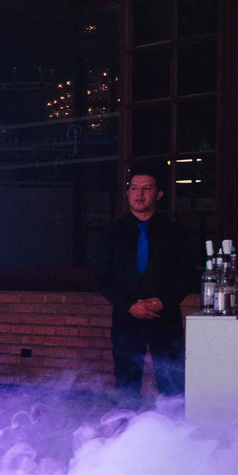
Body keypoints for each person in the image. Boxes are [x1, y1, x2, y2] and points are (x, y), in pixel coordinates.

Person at [94, 165, 203, 402]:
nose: (139, 194)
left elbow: (187, 276)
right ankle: (124, 432)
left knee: (172, 381)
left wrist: (164, 302)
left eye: (146, 188)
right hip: (126, 317)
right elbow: (103, 277)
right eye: (134, 188)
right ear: (128, 193)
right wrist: (129, 305)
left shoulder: (175, 233)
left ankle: (174, 433)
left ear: (159, 194)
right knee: (126, 383)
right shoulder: (113, 233)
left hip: (165, 317)